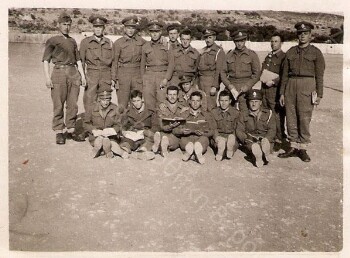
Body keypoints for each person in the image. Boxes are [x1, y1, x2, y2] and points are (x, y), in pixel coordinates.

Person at [278, 21, 325, 162]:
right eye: (300, 34)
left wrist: (320, 94)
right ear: (297, 36)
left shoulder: (316, 53)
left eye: (305, 33)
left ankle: (303, 148)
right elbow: (284, 74)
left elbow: (320, 75)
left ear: (310, 35)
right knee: (290, 116)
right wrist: (282, 93)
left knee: (304, 117)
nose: (302, 36)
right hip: (291, 86)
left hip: (307, 85)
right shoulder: (291, 52)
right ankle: (293, 146)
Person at [42, 12, 86, 144]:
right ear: (58, 25)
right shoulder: (53, 40)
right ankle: (59, 131)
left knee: (72, 104)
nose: (66, 27)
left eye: (68, 24)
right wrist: (47, 78)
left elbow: (78, 60)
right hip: (59, 72)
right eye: (64, 24)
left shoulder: (72, 41)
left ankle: (71, 130)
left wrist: (82, 76)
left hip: (73, 72)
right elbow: (45, 60)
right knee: (58, 103)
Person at [79, 16, 114, 120]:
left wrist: (112, 78)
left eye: (100, 27)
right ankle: (89, 125)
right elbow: (81, 61)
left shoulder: (109, 42)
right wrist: (82, 77)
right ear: (93, 28)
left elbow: (113, 62)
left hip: (106, 74)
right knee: (89, 100)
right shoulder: (85, 42)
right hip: (92, 74)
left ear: (104, 28)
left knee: (105, 99)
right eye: (96, 27)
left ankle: (105, 124)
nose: (98, 29)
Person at [220, 30, 261, 113]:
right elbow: (223, 73)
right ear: (234, 42)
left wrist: (247, 86)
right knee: (229, 112)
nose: (239, 44)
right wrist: (230, 86)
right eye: (237, 41)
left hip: (245, 87)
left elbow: (257, 74)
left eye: (242, 41)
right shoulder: (229, 55)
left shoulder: (252, 55)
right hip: (231, 87)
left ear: (245, 41)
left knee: (245, 112)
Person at [112, 16, 146, 108]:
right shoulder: (118, 43)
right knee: (123, 103)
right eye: (128, 28)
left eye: (133, 28)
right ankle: (122, 122)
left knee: (137, 101)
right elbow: (114, 62)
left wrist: (163, 40)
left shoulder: (141, 41)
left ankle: (136, 122)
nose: (130, 30)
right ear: (124, 28)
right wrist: (114, 79)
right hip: (123, 74)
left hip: (137, 74)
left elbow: (151, 45)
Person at [84, 88, 128, 159]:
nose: (106, 102)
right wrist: (93, 130)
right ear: (99, 99)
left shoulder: (115, 108)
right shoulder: (92, 108)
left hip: (111, 136)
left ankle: (105, 150)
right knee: (99, 139)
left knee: (110, 141)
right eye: (103, 100)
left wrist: (113, 130)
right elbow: (86, 123)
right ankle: (105, 151)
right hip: (96, 135)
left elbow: (119, 124)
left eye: (108, 100)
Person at [173, 91, 216, 164]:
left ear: (201, 102)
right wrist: (182, 131)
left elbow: (212, 131)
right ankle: (192, 152)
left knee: (204, 140)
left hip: (200, 138)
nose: (195, 103)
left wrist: (203, 133)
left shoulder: (206, 115)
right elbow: (174, 130)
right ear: (189, 101)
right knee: (183, 140)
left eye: (197, 101)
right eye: (193, 100)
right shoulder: (183, 114)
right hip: (187, 138)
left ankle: (194, 152)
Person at [236, 89, 276, 168]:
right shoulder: (244, 114)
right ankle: (259, 157)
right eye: (251, 101)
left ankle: (264, 153)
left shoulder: (268, 113)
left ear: (260, 102)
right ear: (248, 102)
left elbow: (272, 129)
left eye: (256, 101)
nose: (254, 104)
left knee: (265, 144)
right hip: (251, 140)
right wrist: (245, 139)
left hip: (265, 139)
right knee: (253, 147)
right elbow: (239, 130)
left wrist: (267, 139)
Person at [260, 33, 286, 151]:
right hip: (264, 90)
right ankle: (268, 136)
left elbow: (285, 76)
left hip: (274, 91)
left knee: (276, 116)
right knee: (265, 113)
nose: (273, 43)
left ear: (281, 43)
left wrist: (274, 82)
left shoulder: (283, 57)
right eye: (272, 41)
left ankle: (279, 139)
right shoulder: (268, 56)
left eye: (276, 41)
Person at [140, 20, 174, 110]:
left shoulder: (167, 45)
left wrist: (166, 78)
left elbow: (171, 64)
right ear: (149, 33)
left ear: (160, 32)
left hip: (162, 76)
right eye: (152, 32)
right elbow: (142, 65)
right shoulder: (145, 46)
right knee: (149, 102)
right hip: (149, 76)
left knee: (162, 103)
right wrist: (144, 79)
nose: (154, 34)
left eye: (157, 32)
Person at [120, 90, 158, 160]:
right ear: (131, 101)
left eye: (138, 100)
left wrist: (146, 132)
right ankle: (126, 150)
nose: (136, 103)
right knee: (126, 142)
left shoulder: (150, 111)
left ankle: (143, 151)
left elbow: (155, 126)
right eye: (134, 101)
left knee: (149, 140)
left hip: (145, 134)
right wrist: (125, 132)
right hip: (133, 134)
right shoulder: (128, 112)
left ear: (142, 99)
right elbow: (123, 126)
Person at [153, 85, 186, 157]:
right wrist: (169, 127)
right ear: (166, 96)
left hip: (176, 134)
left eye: (174, 94)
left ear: (178, 96)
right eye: (170, 94)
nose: (172, 97)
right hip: (165, 131)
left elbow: (183, 125)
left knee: (174, 139)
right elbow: (161, 124)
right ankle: (161, 144)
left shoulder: (183, 108)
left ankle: (162, 145)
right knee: (162, 135)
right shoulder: (162, 107)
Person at [198, 28, 225, 111]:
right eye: (206, 38)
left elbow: (219, 71)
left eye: (210, 37)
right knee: (201, 105)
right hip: (201, 82)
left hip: (211, 82)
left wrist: (215, 86)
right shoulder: (203, 50)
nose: (207, 40)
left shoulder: (219, 51)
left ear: (214, 38)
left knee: (210, 106)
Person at [211, 89, 240, 161]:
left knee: (233, 144)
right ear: (218, 101)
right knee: (218, 144)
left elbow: (237, 128)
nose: (223, 103)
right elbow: (213, 128)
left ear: (230, 101)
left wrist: (233, 136)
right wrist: (217, 137)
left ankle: (229, 149)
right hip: (219, 136)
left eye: (226, 101)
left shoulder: (236, 113)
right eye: (221, 101)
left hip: (231, 136)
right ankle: (221, 151)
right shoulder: (214, 112)